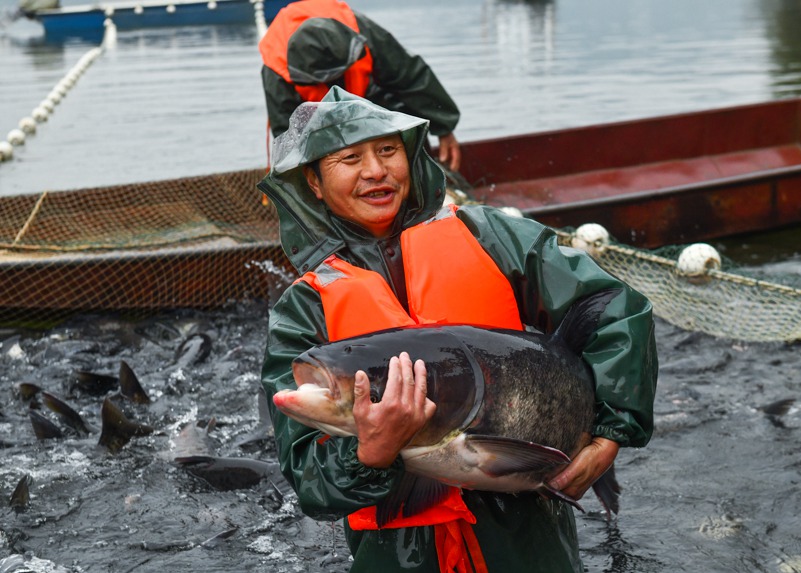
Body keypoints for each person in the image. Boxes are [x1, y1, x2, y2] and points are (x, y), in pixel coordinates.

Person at [258, 86, 658, 572]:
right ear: (314, 184)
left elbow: (615, 307)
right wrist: (370, 453)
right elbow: (309, 483)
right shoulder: (302, 308)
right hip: (399, 559)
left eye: (388, 150)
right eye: (349, 158)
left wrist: (610, 434)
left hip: (528, 542)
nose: (376, 171)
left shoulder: (491, 235)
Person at [258, 0, 461, 170]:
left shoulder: (363, 32)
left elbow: (410, 77)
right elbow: (286, 135)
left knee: (405, 119)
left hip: (368, 93)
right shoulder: (276, 71)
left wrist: (444, 128)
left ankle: (418, 181)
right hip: (313, 115)